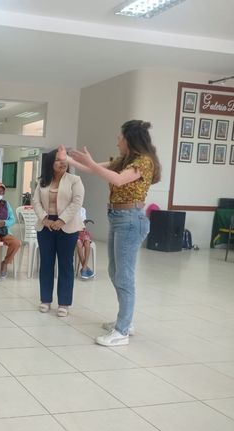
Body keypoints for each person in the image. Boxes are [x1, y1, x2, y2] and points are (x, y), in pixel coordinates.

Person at [69, 120, 161, 347]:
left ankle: (122, 330)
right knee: (114, 271)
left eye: (120, 136)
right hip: (118, 218)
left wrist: (91, 163)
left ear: (130, 139)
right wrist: (69, 160)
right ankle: (125, 321)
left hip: (131, 220)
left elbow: (118, 180)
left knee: (124, 276)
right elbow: (93, 169)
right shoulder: (124, 160)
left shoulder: (144, 162)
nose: (117, 140)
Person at [33, 148, 84, 317]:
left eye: (64, 160)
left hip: (67, 226)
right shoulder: (42, 181)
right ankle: (45, 300)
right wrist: (44, 219)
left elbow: (77, 202)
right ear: (50, 163)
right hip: (45, 225)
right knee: (46, 263)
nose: (62, 163)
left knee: (65, 264)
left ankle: (64, 303)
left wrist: (61, 220)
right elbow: (36, 202)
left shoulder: (75, 180)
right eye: (58, 160)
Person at [77, 207, 95, 280]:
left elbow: (84, 223)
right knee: (79, 244)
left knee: (87, 242)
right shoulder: (71, 209)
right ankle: (85, 268)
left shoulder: (83, 209)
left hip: (82, 232)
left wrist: (84, 223)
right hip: (74, 233)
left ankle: (84, 268)